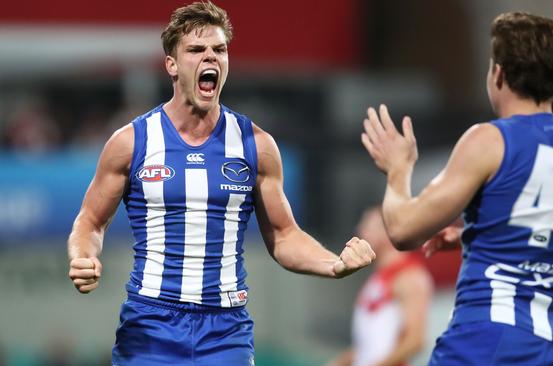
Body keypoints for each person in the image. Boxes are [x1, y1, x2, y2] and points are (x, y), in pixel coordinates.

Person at [66, 2, 375, 366]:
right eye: (196, 50)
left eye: (219, 49)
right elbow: (90, 221)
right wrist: (83, 257)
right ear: (172, 65)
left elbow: (284, 235)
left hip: (225, 332)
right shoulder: (131, 142)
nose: (210, 58)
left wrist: (333, 264)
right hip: (150, 326)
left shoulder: (255, 145)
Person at [361, 12, 553, 366]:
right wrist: (488, 232)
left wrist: (397, 170)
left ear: (499, 73)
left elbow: (403, 230)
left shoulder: (490, 140)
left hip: (486, 342)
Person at [328, 206, 433, 366]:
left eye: (368, 226)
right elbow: (368, 345)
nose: (360, 231)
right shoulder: (375, 280)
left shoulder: (410, 276)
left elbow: (415, 341)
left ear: (389, 231)